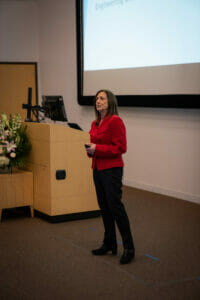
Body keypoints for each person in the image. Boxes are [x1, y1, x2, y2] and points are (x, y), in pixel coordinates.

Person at [85, 89, 135, 264]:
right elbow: (95, 146)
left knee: (115, 207)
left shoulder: (115, 121)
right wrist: (90, 151)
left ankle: (129, 247)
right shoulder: (95, 122)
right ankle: (110, 242)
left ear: (110, 101)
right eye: (97, 98)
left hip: (112, 170)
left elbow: (120, 148)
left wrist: (97, 149)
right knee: (104, 207)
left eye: (102, 98)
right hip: (97, 168)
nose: (98, 101)